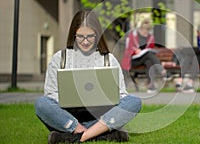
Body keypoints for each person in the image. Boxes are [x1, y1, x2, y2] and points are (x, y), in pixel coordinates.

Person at [34, 10, 142, 143]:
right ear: (73, 35)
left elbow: (122, 95)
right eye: (80, 36)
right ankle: (98, 134)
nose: (85, 42)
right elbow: (49, 94)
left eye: (90, 36)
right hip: (68, 116)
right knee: (41, 104)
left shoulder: (108, 60)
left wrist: (103, 98)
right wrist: (74, 98)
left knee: (134, 102)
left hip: (100, 116)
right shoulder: (60, 59)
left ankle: (77, 137)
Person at [121, 18, 172, 93]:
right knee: (148, 55)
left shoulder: (150, 37)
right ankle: (163, 72)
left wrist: (145, 51)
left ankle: (151, 86)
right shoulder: (132, 36)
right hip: (133, 60)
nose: (146, 33)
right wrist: (135, 51)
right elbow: (127, 49)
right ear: (141, 28)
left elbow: (150, 48)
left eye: (147, 31)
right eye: (144, 31)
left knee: (149, 61)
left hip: (144, 58)